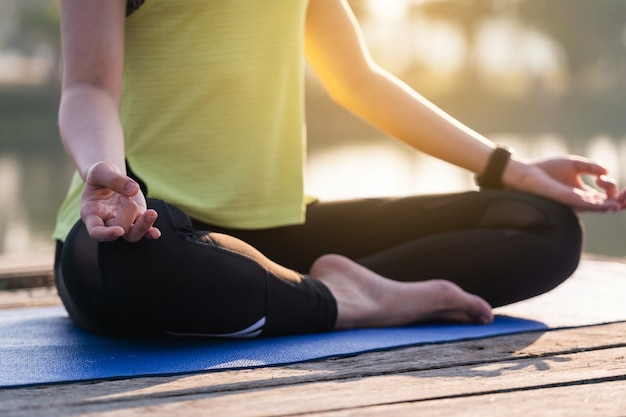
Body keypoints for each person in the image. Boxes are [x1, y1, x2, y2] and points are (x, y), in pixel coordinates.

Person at [53, 0, 625, 338]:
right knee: (128, 271)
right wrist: (105, 173)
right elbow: (86, 87)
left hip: (275, 234)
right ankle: (346, 300)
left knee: (542, 228)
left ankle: (305, 294)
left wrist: (510, 169)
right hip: (147, 225)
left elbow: (358, 79)